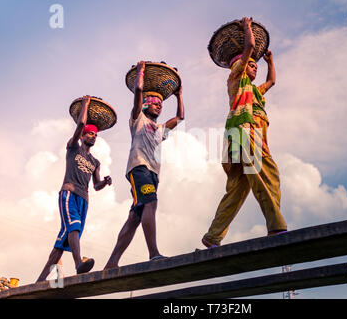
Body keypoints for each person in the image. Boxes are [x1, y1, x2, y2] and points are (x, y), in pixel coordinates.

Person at [202, 17, 288, 248]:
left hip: (253, 134)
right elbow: (249, 48)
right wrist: (247, 28)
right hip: (242, 130)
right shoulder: (236, 78)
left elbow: (271, 81)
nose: (254, 67)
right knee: (263, 172)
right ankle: (276, 226)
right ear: (239, 65)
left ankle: (212, 237)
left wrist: (270, 61)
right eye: (251, 64)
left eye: (255, 65)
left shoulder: (255, 91)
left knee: (238, 189)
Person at [104, 61, 184, 269]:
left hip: (153, 174)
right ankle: (153, 253)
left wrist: (179, 95)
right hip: (139, 169)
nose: (159, 106)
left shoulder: (159, 130)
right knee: (151, 203)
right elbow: (138, 89)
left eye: (161, 104)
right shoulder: (137, 119)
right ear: (146, 104)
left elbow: (180, 117)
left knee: (134, 218)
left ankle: (112, 262)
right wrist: (141, 71)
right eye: (156, 103)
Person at [36, 95, 112, 282]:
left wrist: (105, 182)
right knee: (74, 228)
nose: (93, 136)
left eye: (95, 134)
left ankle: (38, 282)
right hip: (68, 194)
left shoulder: (95, 162)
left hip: (84, 199)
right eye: (90, 133)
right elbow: (79, 126)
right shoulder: (73, 148)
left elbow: (96, 185)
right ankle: (79, 264)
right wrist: (86, 105)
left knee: (61, 244)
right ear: (83, 135)